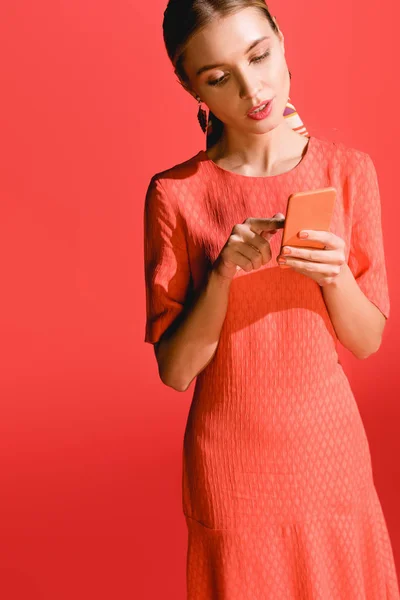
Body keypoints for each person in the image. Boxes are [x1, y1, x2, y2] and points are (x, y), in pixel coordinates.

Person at [143, 1, 399, 598]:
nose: (252, 88)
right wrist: (222, 277)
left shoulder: (347, 172)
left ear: (281, 39)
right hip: (230, 470)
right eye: (218, 77)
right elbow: (176, 372)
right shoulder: (176, 194)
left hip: (329, 458)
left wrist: (335, 277)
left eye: (259, 55)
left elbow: (367, 341)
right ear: (191, 87)